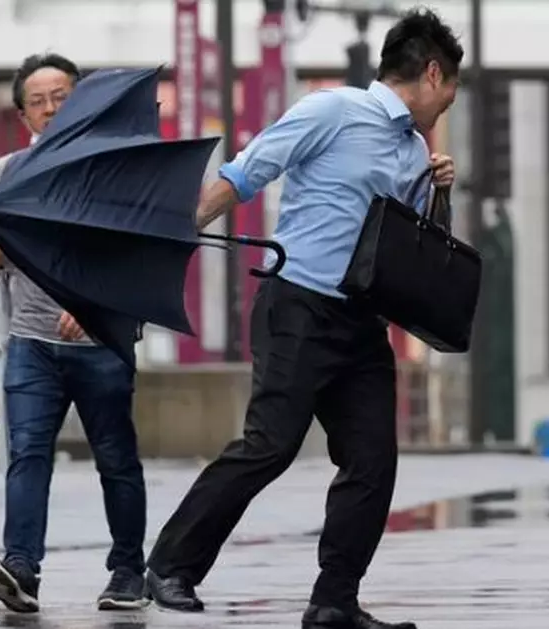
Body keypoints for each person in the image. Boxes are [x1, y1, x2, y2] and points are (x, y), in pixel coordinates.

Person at [143, 10, 462, 629]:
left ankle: (334, 600)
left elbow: (413, 245)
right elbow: (248, 169)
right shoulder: (331, 111)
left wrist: (437, 188)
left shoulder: (417, 149)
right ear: (430, 73)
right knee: (270, 445)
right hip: (300, 305)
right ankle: (171, 566)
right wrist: (174, 237)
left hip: (363, 323)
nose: (449, 102)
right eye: (450, 88)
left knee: (372, 461)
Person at [0, 53, 148, 613]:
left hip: (101, 344)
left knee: (116, 458)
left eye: (61, 97)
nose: (50, 109)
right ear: (24, 114)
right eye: (38, 101)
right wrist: (1, 240)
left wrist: (97, 305)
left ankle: (127, 573)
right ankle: (21, 567)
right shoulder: (7, 172)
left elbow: (141, 251)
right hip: (30, 342)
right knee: (27, 454)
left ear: (81, 101)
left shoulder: (116, 169)